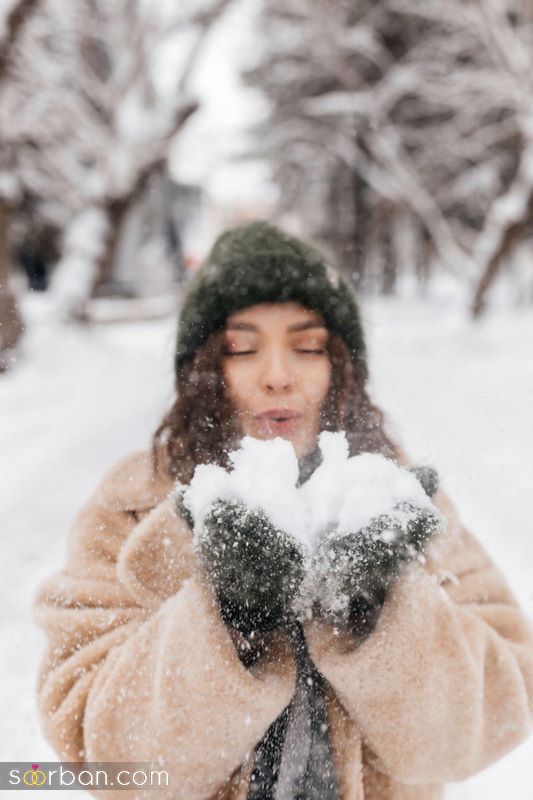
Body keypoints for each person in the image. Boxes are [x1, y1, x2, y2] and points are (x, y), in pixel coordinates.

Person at [34, 221, 533, 800]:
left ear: (341, 365)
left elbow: (499, 711)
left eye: (309, 346)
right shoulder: (129, 509)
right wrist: (230, 621)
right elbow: (98, 749)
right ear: (204, 371)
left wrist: (376, 614)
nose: (277, 376)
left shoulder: (398, 504)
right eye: (242, 348)